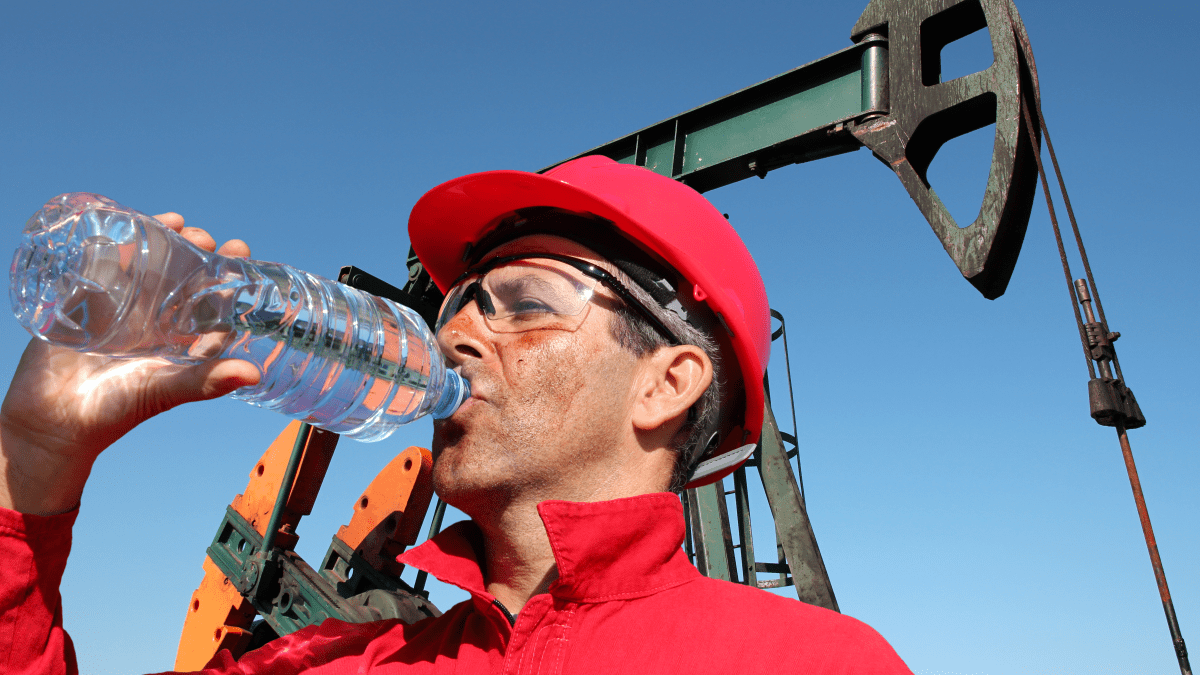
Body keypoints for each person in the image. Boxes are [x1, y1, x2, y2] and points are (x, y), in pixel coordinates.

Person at [0, 156, 912, 673]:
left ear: (666, 383)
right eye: (458, 301)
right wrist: (28, 462)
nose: (458, 328)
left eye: (522, 300)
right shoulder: (331, 663)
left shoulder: (814, 663)